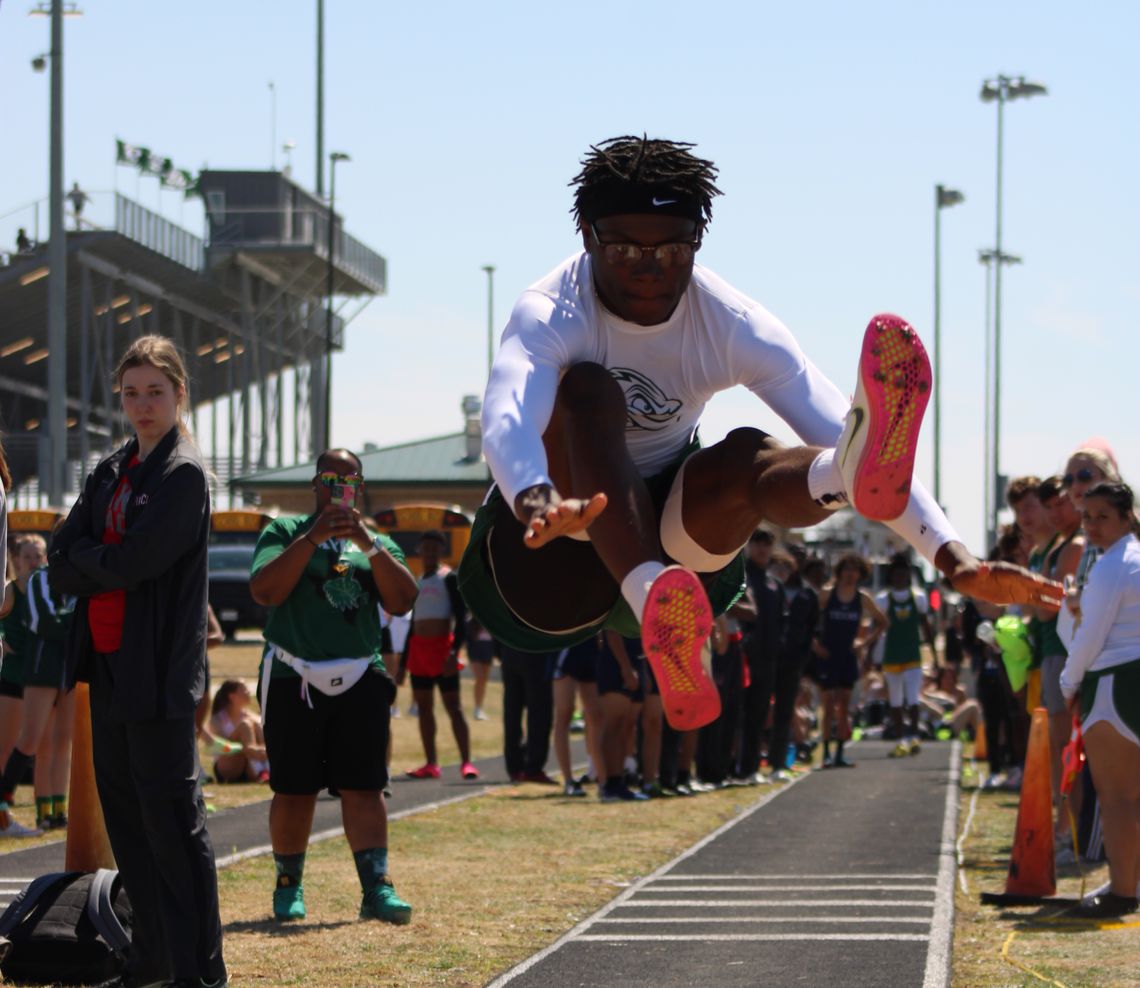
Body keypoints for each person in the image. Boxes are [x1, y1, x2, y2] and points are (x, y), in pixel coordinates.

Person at [459, 134, 1058, 735]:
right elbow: (510, 414)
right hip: (550, 557)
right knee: (588, 389)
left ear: (698, 241)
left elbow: (836, 422)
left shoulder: (731, 323)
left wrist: (953, 558)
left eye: (672, 249)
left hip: (679, 547)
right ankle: (653, 607)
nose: (649, 267)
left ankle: (836, 479)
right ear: (587, 237)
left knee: (750, 452)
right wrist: (536, 498)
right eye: (623, 249)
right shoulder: (550, 310)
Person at [47, 334, 227, 987]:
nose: (143, 404)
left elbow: (132, 562)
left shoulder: (182, 475)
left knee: (173, 829)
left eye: (156, 391)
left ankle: (200, 971)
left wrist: (90, 561)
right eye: (131, 393)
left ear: (180, 394)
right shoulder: (112, 467)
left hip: (159, 675)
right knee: (129, 823)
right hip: (109, 667)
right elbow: (58, 553)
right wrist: (95, 563)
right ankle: (152, 956)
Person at [248, 447, 417, 925]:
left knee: (365, 785)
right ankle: (288, 885)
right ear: (314, 484)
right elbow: (264, 591)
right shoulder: (283, 532)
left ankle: (377, 887)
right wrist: (312, 539)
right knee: (294, 788)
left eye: (349, 479)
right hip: (292, 675)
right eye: (329, 477)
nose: (338, 486)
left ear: (360, 487)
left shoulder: (377, 541)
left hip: (360, 673)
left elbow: (403, 600)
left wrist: (367, 543)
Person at [1058, 482, 1140, 918]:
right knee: (1130, 798)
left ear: (1126, 516)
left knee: (1117, 799)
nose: (1091, 526)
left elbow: (1090, 637)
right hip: (1129, 675)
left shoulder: (1113, 564)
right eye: (1087, 517)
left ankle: (1124, 891)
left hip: (1114, 681)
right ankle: (1127, 882)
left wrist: (1069, 683)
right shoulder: (1130, 559)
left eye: (1102, 516)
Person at [0, 541, 76, 832]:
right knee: (26, 742)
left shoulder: (75, 580)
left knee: (59, 743)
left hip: (63, 668)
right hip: (32, 670)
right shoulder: (32, 582)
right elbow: (44, 621)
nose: (33, 561)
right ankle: (4, 801)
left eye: (37, 555)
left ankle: (54, 811)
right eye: (27, 556)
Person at [399, 530, 477, 780]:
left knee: (453, 707)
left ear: (441, 551)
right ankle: (431, 763)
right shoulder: (418, 581)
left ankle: (467, 762)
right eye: (425, 548)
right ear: (419, 551)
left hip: (443, 649)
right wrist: (402, 663)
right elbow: (412, 625)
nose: (429, 552)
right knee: (424, 708)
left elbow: (461, 619)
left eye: (434, 548)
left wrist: (455, 652)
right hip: (419, 650)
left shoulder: (449, 578)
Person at [812, 553, 887, 767]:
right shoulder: (827, 594)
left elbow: (883, 621)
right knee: (827, 705)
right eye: (847, 569)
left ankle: (840, 753)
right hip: (828, 655)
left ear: (860, 574)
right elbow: (806, 618)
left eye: (855, 570)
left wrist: (863, 643)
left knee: (844, 706)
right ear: (840, 571)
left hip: (848, 656)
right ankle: (825, 752)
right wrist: (815, 645)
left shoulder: (862, 598)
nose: (850, 574)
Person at [875, 553, 936, 758]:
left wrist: (934, 655)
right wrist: (870, 656)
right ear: (891, 576)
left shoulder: (918, 597)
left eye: (904, 574)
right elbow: (877, 629)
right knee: (895, 700)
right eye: (897, 574)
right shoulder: (883, 599)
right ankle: (901, 739)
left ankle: (914, 737)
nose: (900, 578)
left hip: (912, 654)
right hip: (891, 655)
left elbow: (926, 626)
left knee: (913, 698)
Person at [550, 638, 604, 797]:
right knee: (564, 712)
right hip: (566, 647)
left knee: (596, 716)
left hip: (590, 647)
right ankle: (568, 780)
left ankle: (602, 778)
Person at [499, 641, 556, 783]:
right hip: (536, 651)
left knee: (513, 710)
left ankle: (515, 767)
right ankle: (532, 768)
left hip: (510, 650)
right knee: (539, 713)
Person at [208, 680, 268, 784]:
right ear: (232, 696)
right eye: (244, 689)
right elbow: (220, 749)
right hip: (228, 766)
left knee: (256, 724)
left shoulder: (252, 717)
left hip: (249, 766)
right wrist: (248, 749)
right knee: (245, 725)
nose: (249, 692)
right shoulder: (217, 720)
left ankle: (264, 772)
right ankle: (263, 771)